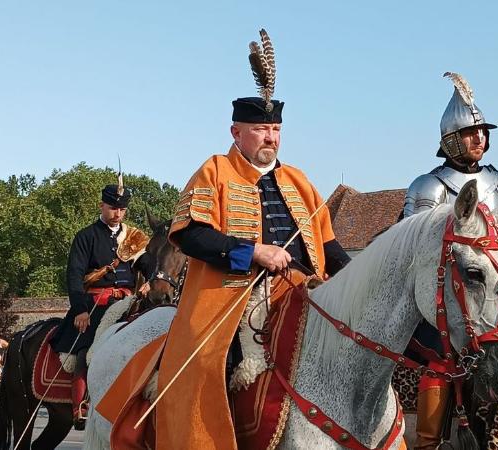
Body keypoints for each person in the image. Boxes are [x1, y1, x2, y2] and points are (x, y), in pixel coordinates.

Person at [139, 29, 350, 449]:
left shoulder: (299, 180)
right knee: (206, 367)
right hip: (230, 294)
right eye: (260, 129)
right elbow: (191, 235)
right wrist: (253, 250)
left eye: (275, 129)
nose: (270, 137)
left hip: (303, 290)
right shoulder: (214, 170)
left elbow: (327, 246)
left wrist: (357, 276)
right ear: (236, 132)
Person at [402, 72, 498, 449]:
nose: (480, 138)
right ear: (450, 140)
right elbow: (411, 241)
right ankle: (428, 436)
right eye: (470, 132)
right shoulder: (428, 186)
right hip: (448, 293)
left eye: (483, 131)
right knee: (433, 357)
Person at [48, 179, 156, 430]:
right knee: (87, 350)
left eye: (122, 209)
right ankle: (81, 405)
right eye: (113, 208)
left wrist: (151, 280)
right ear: (102, 206)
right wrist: (80, 310)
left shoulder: (133, 237)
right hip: (95, 303)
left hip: (127, 301)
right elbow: (74, 275)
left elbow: (150, 264)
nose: (117, 213)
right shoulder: (86, 236)